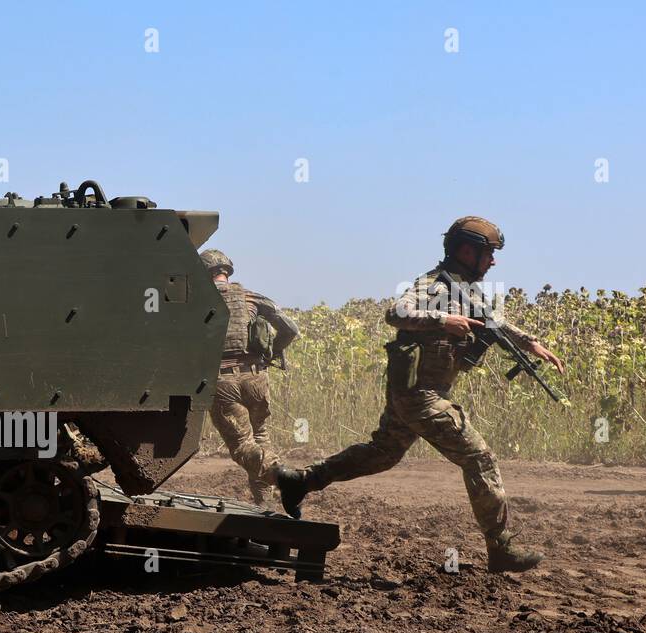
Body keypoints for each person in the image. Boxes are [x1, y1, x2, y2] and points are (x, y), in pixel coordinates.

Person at [275, 217, 565, 572]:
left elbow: (494, 323)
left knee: (383, 453)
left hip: (412, 394)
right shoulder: (433, 286)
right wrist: (443, 322)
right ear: (465, 250)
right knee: (479, 458)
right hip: (422, 397)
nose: (494, 261)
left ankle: (302, 480)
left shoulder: (466, 290)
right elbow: (395, 313)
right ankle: (501, 548)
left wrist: (531, 343)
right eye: (489, 253)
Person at [200, 249, 299, 506]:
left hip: (223, 382)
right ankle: (265, 506)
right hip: (257, 379)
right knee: (260, 439)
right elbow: (290, 328)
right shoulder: (249, 296)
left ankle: (286, 479)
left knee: (243, 447)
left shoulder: (197, 300)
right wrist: (274, 352)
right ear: (226, 271)